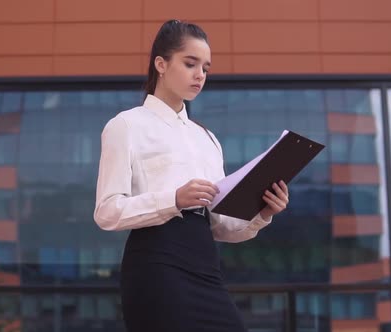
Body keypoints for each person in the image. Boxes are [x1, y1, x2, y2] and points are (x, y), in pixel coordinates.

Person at [94, 19, 289, 332]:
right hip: (156, 263)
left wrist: (262, 212)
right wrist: (173, 199)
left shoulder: (208, 139)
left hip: (205, 264)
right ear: (161, 63)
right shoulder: (126, 126)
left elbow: (221, 226)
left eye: (206, 68)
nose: (200, 75)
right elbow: (106, 212)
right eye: (190, 63)